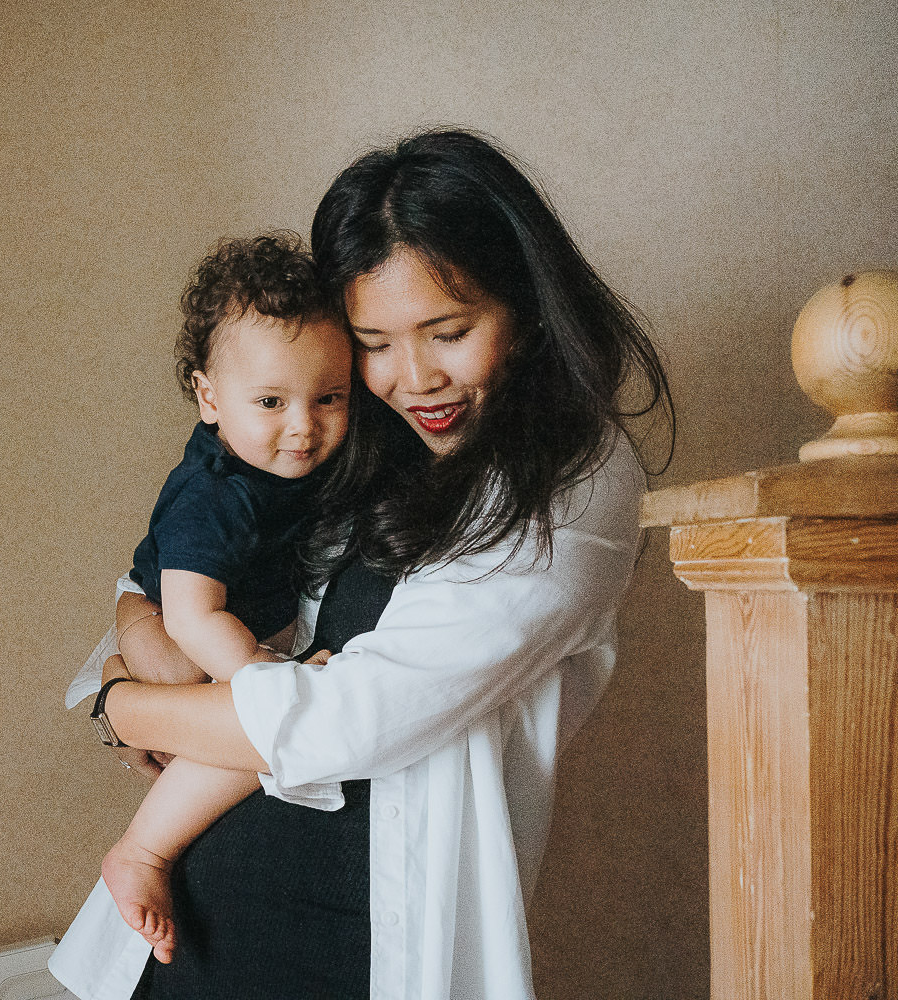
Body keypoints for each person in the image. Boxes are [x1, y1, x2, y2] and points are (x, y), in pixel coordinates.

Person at [50, 127, 672, 1000]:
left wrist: (126, 708)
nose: (412, 378)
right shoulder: (361, 446)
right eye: (374, 343)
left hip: (351, 957)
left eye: (448, 332)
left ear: (526, 309)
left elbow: (351, 720)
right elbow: (175, 575)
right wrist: (135, 655)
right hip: (187, 938)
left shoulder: (574, 480)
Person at [97, 233, 353, 963]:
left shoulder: (299, 451)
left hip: (234, 621)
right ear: (210, 397)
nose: (304, 427)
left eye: (329, 398)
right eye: (271, 401)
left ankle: (144, 845)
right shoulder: (213, 496)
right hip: (164, 611)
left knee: (254, 738)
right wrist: (268, 679)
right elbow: (189, 615)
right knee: (226, 705)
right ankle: (143, 848)